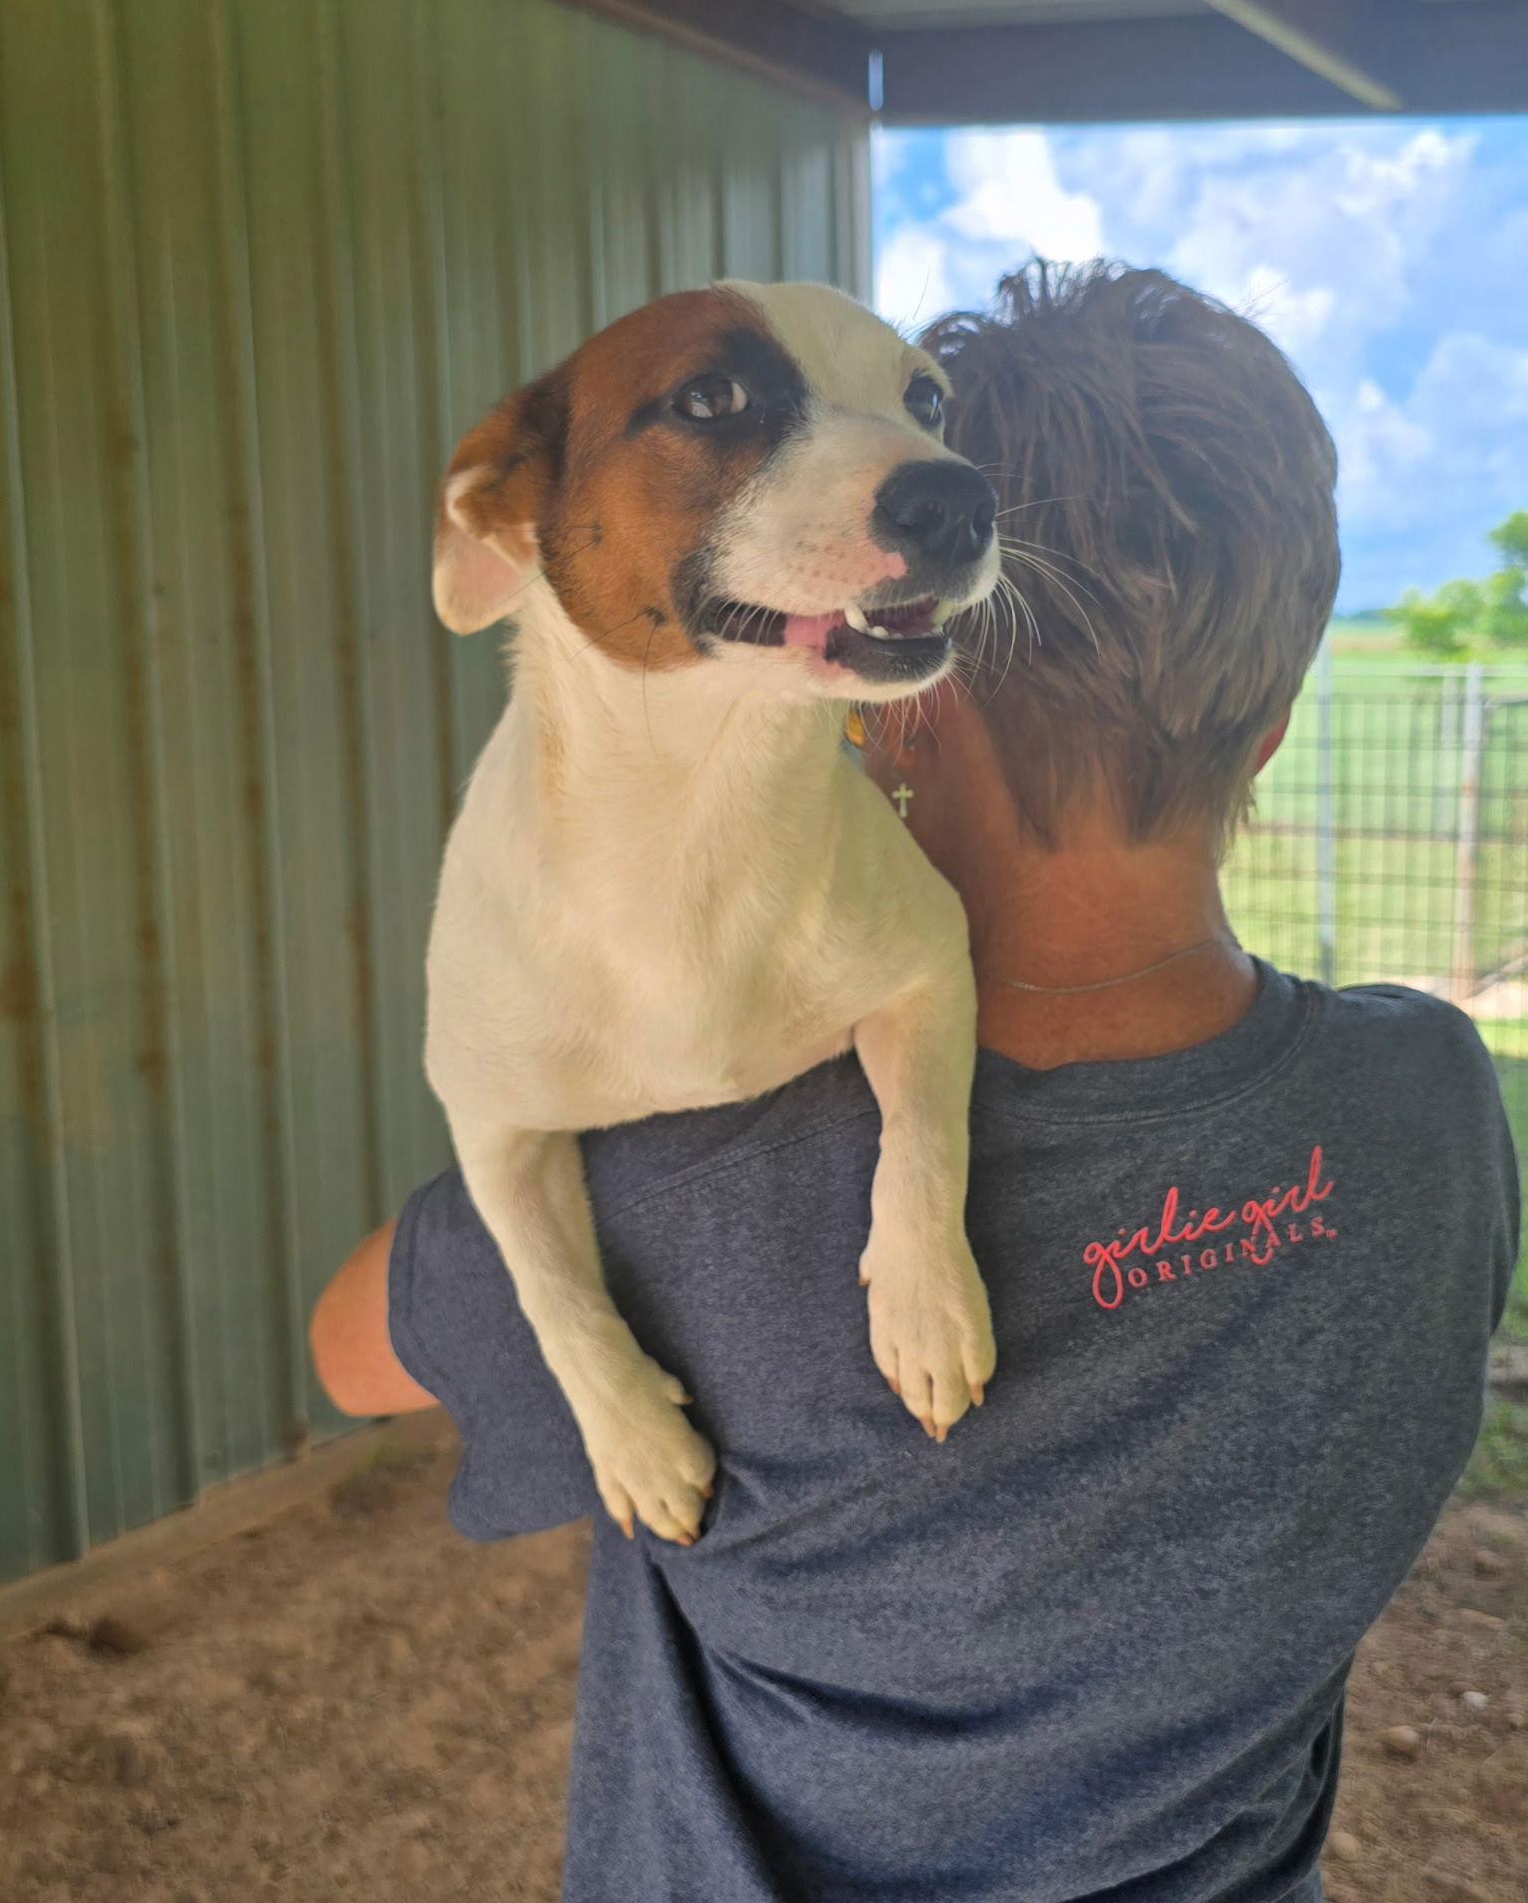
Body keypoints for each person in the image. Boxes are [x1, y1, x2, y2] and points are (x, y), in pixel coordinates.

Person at [309, 262, 1518, 1903]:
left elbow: (352, 1350)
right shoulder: (1435, 1106)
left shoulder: (688, 1180)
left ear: (881, 699)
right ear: (1271, 727)